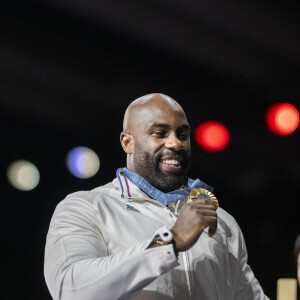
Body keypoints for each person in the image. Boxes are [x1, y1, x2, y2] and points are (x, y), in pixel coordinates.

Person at [44, 93, 269, 299]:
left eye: (183, 134)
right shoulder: (87, 207)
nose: (175, 143)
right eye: (159, 133)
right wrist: (169, 242)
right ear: (127, 142)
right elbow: (69, 288)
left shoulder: (221, 221)